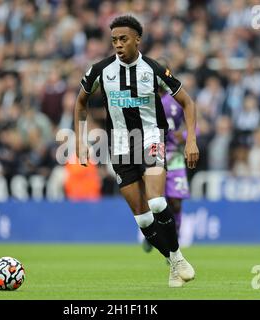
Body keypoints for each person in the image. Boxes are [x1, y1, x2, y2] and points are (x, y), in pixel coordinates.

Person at [74, 15, 199, 288]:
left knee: (156, 202)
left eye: (123, 39)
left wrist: (191, 140)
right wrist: (80, 139)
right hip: (120, 145)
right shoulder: (100, 70)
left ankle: (176, 259)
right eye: (114, 40)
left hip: (151, 138)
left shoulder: (153, 69)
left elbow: (187, 102)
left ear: (137, 40)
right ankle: (173, 259)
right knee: (143, 219)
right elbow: (80, 102)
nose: (118, 45)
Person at [142, 67, 192, 253]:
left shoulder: (176, 102)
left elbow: (196, 125)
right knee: (155, 198)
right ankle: (152, 232)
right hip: (154, 152)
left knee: (176, 202)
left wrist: (185, 135)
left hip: (175, 156)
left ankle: (174, 239)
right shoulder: (145, 101)